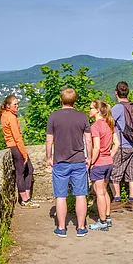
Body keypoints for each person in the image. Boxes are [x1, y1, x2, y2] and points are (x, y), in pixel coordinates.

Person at [46, 88, 92, 238]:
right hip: (78, 160)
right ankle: (80, 228)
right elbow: (88, 139)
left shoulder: (53, 116)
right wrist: (89, 157)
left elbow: (49, 140)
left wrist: (48, 157)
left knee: (61, 196)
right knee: (80, 195)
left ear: (61, 100)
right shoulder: (82, 116)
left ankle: (61, 228)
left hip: (60, 161)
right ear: (75, 100)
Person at [0, 95, 40, 209]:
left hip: (12, 145)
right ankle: (25, 200)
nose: (17, 106)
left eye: (17, 104)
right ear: (8, 105)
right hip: (15, 146)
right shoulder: (10, 117)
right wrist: (24, 153)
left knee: (28, 170)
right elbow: (17, 137)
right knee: (21, 172)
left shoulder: (5, 114)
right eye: (14, 104)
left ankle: (26, 199)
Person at [88, 100, 120, 231]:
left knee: (99, 193)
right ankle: (107, 217)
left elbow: (96, 148)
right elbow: (117, 144)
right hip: (108, 163)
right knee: (105, 191)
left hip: (99, 163)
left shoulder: (95, 127)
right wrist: (110, 156)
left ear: (97, 110)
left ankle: (102, 222)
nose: (89, 110)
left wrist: (91, 162)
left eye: (91, 108)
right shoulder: (109, 124)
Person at [110, 81, 133, 211]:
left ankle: (116, 200)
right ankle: (131, 201)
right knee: (132, 173)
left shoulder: (117, 108)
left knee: (113, 174)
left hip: (122, 145)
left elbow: (107, 123)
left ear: (116, 93)